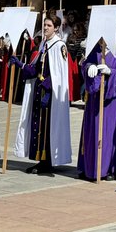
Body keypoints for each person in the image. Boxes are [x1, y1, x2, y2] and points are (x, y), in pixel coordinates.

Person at [10, 14, 72, 175]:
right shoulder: (45, 44)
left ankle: (48, 160)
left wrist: (48, 91)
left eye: (49, 25)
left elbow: (59, 74)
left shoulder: (59, 46)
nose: (45, 28)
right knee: (38, 126)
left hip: (49, 93)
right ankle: (40, 158)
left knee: (47, 127)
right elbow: (36, 69)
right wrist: (21, 65)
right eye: (44, 25)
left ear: (56, 28)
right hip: (39, 91)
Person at [77, 38, 116, 180]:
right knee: (92, 131)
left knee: (109, 133)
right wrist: (89, 68)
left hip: (112, 100)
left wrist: (111, 72)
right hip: (94, 99)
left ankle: (109, 169)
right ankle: (89, 166)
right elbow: (85, 65)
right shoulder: (94, 50)